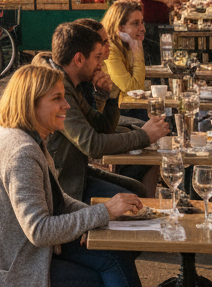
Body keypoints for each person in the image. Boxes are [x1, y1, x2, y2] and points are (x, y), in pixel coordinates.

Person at [0, 64, 185, 287]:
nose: (66, 105)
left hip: (11, 258)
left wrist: (106, 212)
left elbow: (58, 201)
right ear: (29, 104)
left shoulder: (23, 137)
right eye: (57, 99)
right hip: (4, 276)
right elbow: (39, 231)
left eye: (64, 96)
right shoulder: (22, 153)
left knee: (114, 256)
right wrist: (103, 212)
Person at [32, 22, 166, 201]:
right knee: (134, 199)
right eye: (97, 57)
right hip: (63, 183)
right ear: (79, 59)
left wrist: (108, 96)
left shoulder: (70, 82)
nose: (101, 63)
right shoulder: (57, 91)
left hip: (77, 170)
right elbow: (92, 145)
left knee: (137, 189)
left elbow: (102, 127)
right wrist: (144, 136)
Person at [100, 0, 148, 106]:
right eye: (136, 24)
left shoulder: (126, 43)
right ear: (120, 28)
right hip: (110, 110)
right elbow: (133, 88)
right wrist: (138, 53)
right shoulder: (110, 50)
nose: (142, 28)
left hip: (122, 104)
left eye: (142, 22)